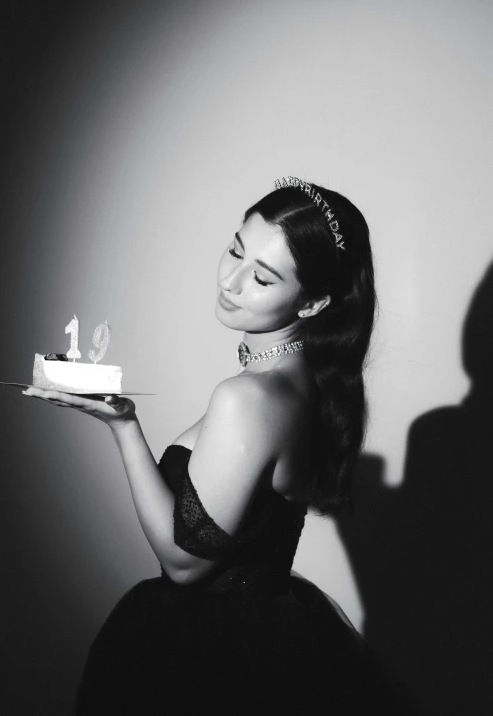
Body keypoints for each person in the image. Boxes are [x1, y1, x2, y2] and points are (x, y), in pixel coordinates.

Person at [24, 177, 412, 714]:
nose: (230, 280)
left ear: (313, 301)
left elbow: (185, 565)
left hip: (216, 663)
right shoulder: (304, 380)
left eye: (261, 276)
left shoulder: (248, 398)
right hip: (272, 646)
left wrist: (123, 426)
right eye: (234, 248)